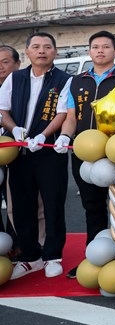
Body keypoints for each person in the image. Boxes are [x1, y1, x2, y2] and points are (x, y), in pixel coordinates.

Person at [58, 31, 115, 279]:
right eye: (95, 46)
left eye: (106, 46)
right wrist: (65, 136)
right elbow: (71, 117)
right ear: (89, 51)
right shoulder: (77, 81)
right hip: (85, 152)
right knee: (92, 205)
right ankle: (93, 256)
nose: (100, 50)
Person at [1, 33, 70, 280]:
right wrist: (14, 129)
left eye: (47, 47)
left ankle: (52, 255)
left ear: (55, 52)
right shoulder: (15, 78)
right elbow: (3, 110)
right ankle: (30, 257)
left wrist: (43, 135)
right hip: (19, 151)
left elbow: (63, 113)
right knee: (21, 205)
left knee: (53, 203)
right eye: (36, 47)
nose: (42, 51)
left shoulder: (64, 80)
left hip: (49, 151)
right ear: (27, 52)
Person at [0, 44, 21, 246]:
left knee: (16, 200)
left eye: (5, 62)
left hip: (16, 152)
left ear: (17, 64)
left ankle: (16, 243)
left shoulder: (23, 86)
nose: (0, 67)